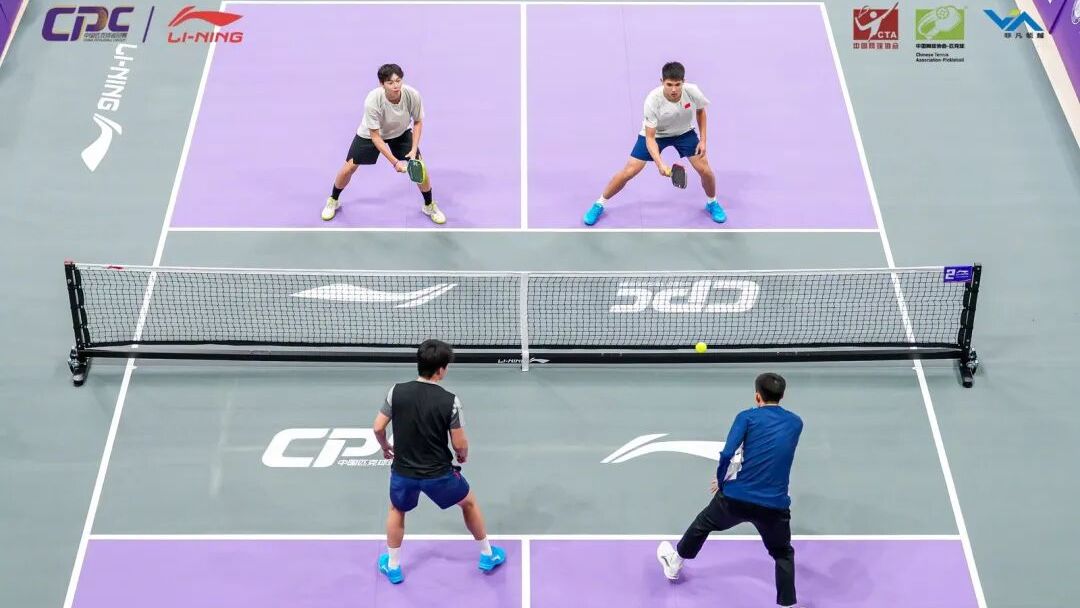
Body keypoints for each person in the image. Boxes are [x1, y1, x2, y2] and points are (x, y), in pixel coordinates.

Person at [656, 373, 804, 608]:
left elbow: (727, 454)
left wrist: (722, 480)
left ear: (757, 396)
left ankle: (674, 564)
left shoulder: (746, 417)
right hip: (774, 507)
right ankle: (787, 604)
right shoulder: (796, 423)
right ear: (782, 396)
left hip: (736, 499)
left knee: (703, 524)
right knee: (783, 554)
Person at [372, 339, 505, 584]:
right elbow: (459, 444)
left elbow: (378, 427)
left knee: (397, 510)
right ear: (441, 370)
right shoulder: (450, 400)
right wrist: (462, 455)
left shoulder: (395, 391)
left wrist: (385, 447)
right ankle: (488, 554)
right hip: (439, 475)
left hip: (403, 472)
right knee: (468, 503)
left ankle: (393, 566)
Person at [583, 61, 725, 226]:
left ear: (683, 82)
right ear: (662, 81)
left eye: (677, 84)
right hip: (656, 134)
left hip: (684, 133)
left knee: (705, 170)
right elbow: (650, 138)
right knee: (630, 171)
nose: (674, 89)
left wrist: (703, 140)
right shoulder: (652, 100)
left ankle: (712, 202)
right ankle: (599, 204)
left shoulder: (692, 91)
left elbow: (701, 111)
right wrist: (660, 164)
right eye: (669, 84)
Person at [323, 63, 446, 225]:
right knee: (349, 168)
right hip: (371, 134)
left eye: (398, 81)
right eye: (390, 82)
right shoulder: (373, 100)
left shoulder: (412, 95)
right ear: (382, 84)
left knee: (420, 167)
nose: (396, 86)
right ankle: (333, 200)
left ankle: (429, 205)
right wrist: (395, 162)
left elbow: (417, 122)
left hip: (400, 132)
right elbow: (375, 137)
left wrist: (414, 149)